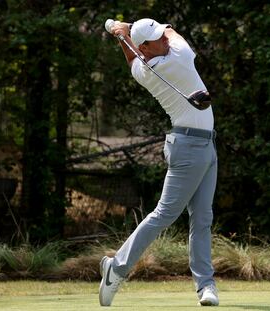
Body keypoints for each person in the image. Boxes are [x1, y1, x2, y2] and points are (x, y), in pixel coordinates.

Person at [99, 18, 219, 307]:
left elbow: (131, 60)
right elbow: (172, 32)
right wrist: (128, 28)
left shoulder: (144, 69)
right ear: (145, 48)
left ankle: (206, 286)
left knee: (202, 218)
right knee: (164, 214)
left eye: (161, 36)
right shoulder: (179, 56)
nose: (164, 40)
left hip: (204, 144)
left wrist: (121, 35)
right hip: (190, 147)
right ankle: (117, 268)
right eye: (156, 40)